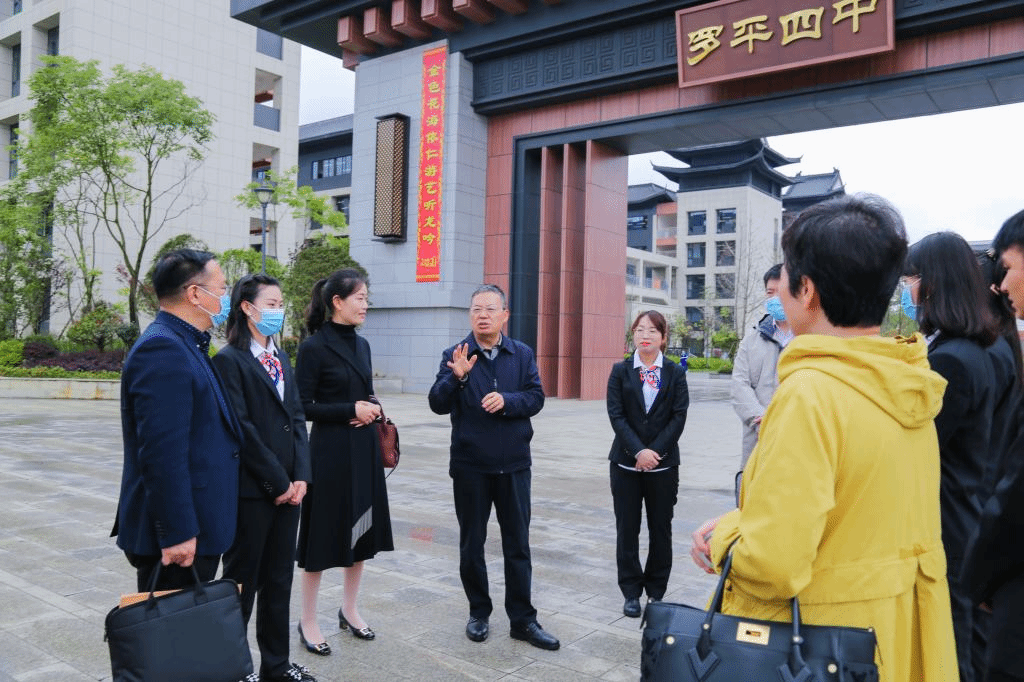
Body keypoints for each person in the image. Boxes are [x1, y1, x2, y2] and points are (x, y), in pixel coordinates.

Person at [690, 195, 957, 682]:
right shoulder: (908, 383)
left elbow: (773, 564)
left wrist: (724, 534)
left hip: (819, 649)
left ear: (807, 290)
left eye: (786, 279)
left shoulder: (810, 393)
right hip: (890, 640)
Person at [902, 231, 1019, 682]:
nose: (907, 289)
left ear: (932, 283)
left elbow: (924, 447)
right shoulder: (995, 347)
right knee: (977, 640)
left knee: (958, 644)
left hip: (950, 520)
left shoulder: (949, 360)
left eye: (911, 278)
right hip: (979, 509)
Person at [427, 284, 559, 651]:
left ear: (504, 315)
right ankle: (478, 613)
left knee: (518, 545)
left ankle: (523, 620)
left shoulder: (521, 353)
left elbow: (536, 398)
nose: (482, 315)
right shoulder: (456, 354)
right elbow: (436, 403)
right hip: (470, 467)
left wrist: (507, 400)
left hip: (514, 465)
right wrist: (457, 377)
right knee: (472, 544)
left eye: (489, 309)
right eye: (476, 309)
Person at [113, 249, 242, 592]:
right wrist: (178, 532)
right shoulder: (163, 349)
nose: (226, 298)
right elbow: (162, 454)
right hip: (181, 537)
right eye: (222, 288)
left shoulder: (187, 343)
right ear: (195, 294)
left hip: (200, 523)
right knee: (172, 624)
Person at [212, 274, 315, 682]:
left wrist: (301, 476)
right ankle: (233, 669)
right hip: (253, 492)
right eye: (271, 304)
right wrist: (278, 483)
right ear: (247, 308)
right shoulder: (229, 361)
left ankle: (276, 666)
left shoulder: (282, 357)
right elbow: (242, 428)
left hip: (291, 492)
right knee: (241, 584)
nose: (278, 310)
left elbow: (297, 417)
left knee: (279, 581)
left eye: (280, 303)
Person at [294, 268, 393, 655]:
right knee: (321, 537)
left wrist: (373, 407)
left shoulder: (363, 345)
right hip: (329, 455)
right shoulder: (314, 347)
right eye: (360, 298)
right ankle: (308, 619)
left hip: (364, 452)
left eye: (367, 298)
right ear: (337, 302)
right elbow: (302, 406)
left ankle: (349, 609)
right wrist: (349, 409)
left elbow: (367, 392)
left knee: (361, 533)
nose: (365, 304)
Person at [962, 208, 1024, 682]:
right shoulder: (1002, 346)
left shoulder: (959, 357)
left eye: (1008, 267)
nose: (1003, 284)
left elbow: (1015, 496)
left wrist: (978, 577)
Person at [606, 310, 688, 618]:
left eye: (653, 330)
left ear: (663, 337)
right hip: (625, 465)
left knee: (660, 529)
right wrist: (638, 451)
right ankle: (630, 592)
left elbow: (679, 416)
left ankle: (656, 591)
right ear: (633, 334)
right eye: (640, 329)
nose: (645, 335)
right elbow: (616, 414)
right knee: (627, 529)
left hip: (663, 467)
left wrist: (654, 452)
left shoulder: (675, 373)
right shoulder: (620, 371)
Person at [730, 263, 792, 486]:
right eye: (769, 292)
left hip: (795, 435)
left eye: (780, 292)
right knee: (753, 491)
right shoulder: (752, 339)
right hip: (757, 435)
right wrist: (761, 419)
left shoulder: (810, 337)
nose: (775, 298)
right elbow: (739, 384)